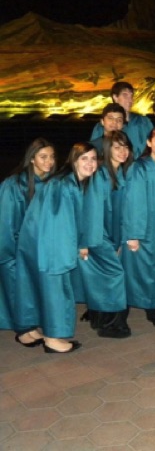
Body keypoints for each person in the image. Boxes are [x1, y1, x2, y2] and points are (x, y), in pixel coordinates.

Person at [15, 142, 98, 353]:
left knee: (44, 289)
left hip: (40, 244)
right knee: (56, 291)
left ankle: (40, 331)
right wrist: (67, 254)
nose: (90, 163)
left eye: (93, 158)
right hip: (51, 247)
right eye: (84, 158)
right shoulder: (65, 185)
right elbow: (59, 224)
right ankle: (52, 339)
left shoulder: (68, 181)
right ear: (74, 160)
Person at [0, 138, 56, 346]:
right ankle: (23, 330)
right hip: (15, 248)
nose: (49, 161)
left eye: (51, 157)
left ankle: (30, 326)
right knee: (17, 288)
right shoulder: (14, 184)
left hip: (38, 249)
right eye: (43, 157)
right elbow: (5, 221)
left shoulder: (51, 182)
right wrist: (9, 254)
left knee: (31, 289)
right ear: (31, 159)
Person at [79, 131, 134, 338]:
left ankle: (100, 318)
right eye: (117, 147)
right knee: (115, 276)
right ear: (107, 149)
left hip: (111, 235)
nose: (122, 151)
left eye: (125, 147)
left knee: (104, 278)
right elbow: (92, 212)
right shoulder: (100, 175)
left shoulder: (121, 172)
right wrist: (90, 242)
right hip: (98, 236)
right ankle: (111, 324)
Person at [121, 127, 155, 328]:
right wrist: (133, 235)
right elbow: (134, 202)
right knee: (144, 269)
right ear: (149, 142)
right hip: (146, 228)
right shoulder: (140, 167)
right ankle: (149, 308)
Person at [90, 82, 153, 159]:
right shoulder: (101, 127)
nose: (130, 100)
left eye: (131, 96)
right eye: (125, 95)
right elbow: (93, 152)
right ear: (115, 97)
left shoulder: (143, 122)